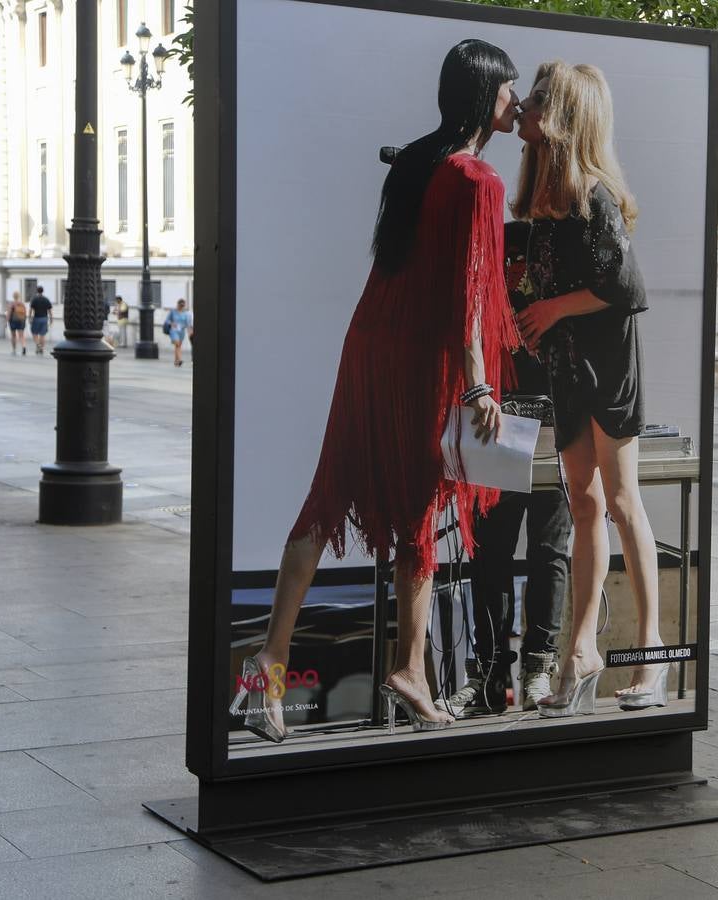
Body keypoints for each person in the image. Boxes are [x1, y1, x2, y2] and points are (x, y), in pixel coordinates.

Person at [231, 40, 521, 743]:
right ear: (486, 96)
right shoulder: (478, 181)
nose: (517, 100)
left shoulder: (416, 164)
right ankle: (408, 670)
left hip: (369, 345)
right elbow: (469, 288)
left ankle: (266, 672)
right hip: (422, 358)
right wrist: (479, 383)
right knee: (417, 513)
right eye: (510, 89)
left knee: (326, 499)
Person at [512, 61, 667, 718]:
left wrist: (548, 312)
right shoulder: (544, 198)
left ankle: (650, 650)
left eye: (539, 97)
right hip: (569, 366)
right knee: (582, 504)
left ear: (564, 113)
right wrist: (532, 316)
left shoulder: (592, 195)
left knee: (622, 503)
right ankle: (581, 652)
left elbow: (626, 291)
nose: (524, 104)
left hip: (606, 366)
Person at [447, 221, 571, 717]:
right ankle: (490, 675)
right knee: (491, 554)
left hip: (557, 417)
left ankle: (538, 666)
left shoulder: (572, 242)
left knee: (549, 551)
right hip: (495, 416)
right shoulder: (493, 238)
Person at [166, 299, 193, 366]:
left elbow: (188, 324)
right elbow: (167, 320)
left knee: (178, 346)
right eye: (180, 305)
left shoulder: (185, 314)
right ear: (177, 304)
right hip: (174, 331)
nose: (181, 307)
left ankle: (176, 361)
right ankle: (180, 359)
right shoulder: (173, 312)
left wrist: (190, 332)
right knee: (177, 344)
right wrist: (171, 323)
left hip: (181, 332)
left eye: (182, 306)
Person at [28, 286, 53, 356]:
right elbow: (50, 310)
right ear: (43, 291)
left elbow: (31, 309)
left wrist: (29, 318)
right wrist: (51, 319)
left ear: (37, 291)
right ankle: (41, 348)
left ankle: (38, 344)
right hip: (44, 318)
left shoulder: (34, 299)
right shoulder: (46, 299)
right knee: (42, 334)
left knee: (34, 333)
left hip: (36, 318)